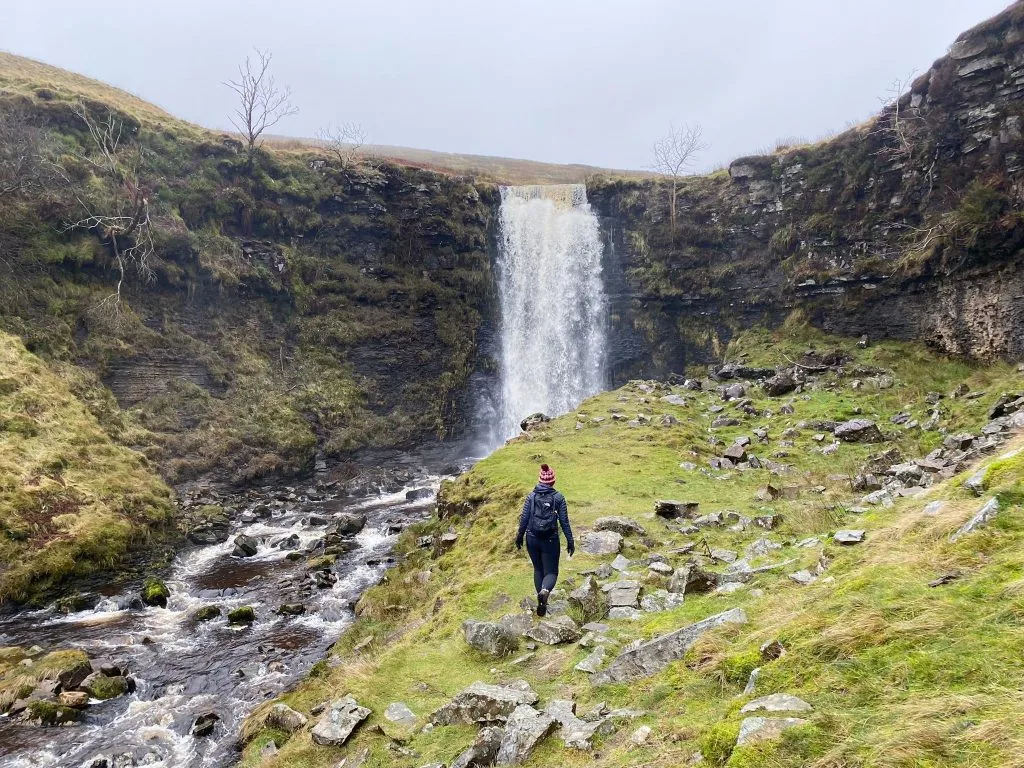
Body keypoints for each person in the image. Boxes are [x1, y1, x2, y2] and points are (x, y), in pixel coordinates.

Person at [515, 463, 574, 616]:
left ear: (540, 480)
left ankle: (542, 601)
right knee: (552, 572)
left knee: (538, 569)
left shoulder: (531, 496)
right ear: (553, 481)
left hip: (532, 538)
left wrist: (519, 537)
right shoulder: (558, 497)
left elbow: (524, 518)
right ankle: (545, 591)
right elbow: (564, 522)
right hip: (550, 539)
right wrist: (570, 541)